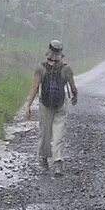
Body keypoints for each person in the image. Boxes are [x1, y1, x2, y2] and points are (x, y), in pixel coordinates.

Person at [25, 39, 77, 176]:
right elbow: (73, 88)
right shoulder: (66, 68)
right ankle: (58, 162)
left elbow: (35, 88)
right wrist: (74, 97)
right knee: (59, 134)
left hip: (45, 105)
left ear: (49, 51)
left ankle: (43, 159)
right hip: (61, 105)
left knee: (45, 133)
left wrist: (28, 105)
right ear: (60, 53)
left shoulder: (40, 69)